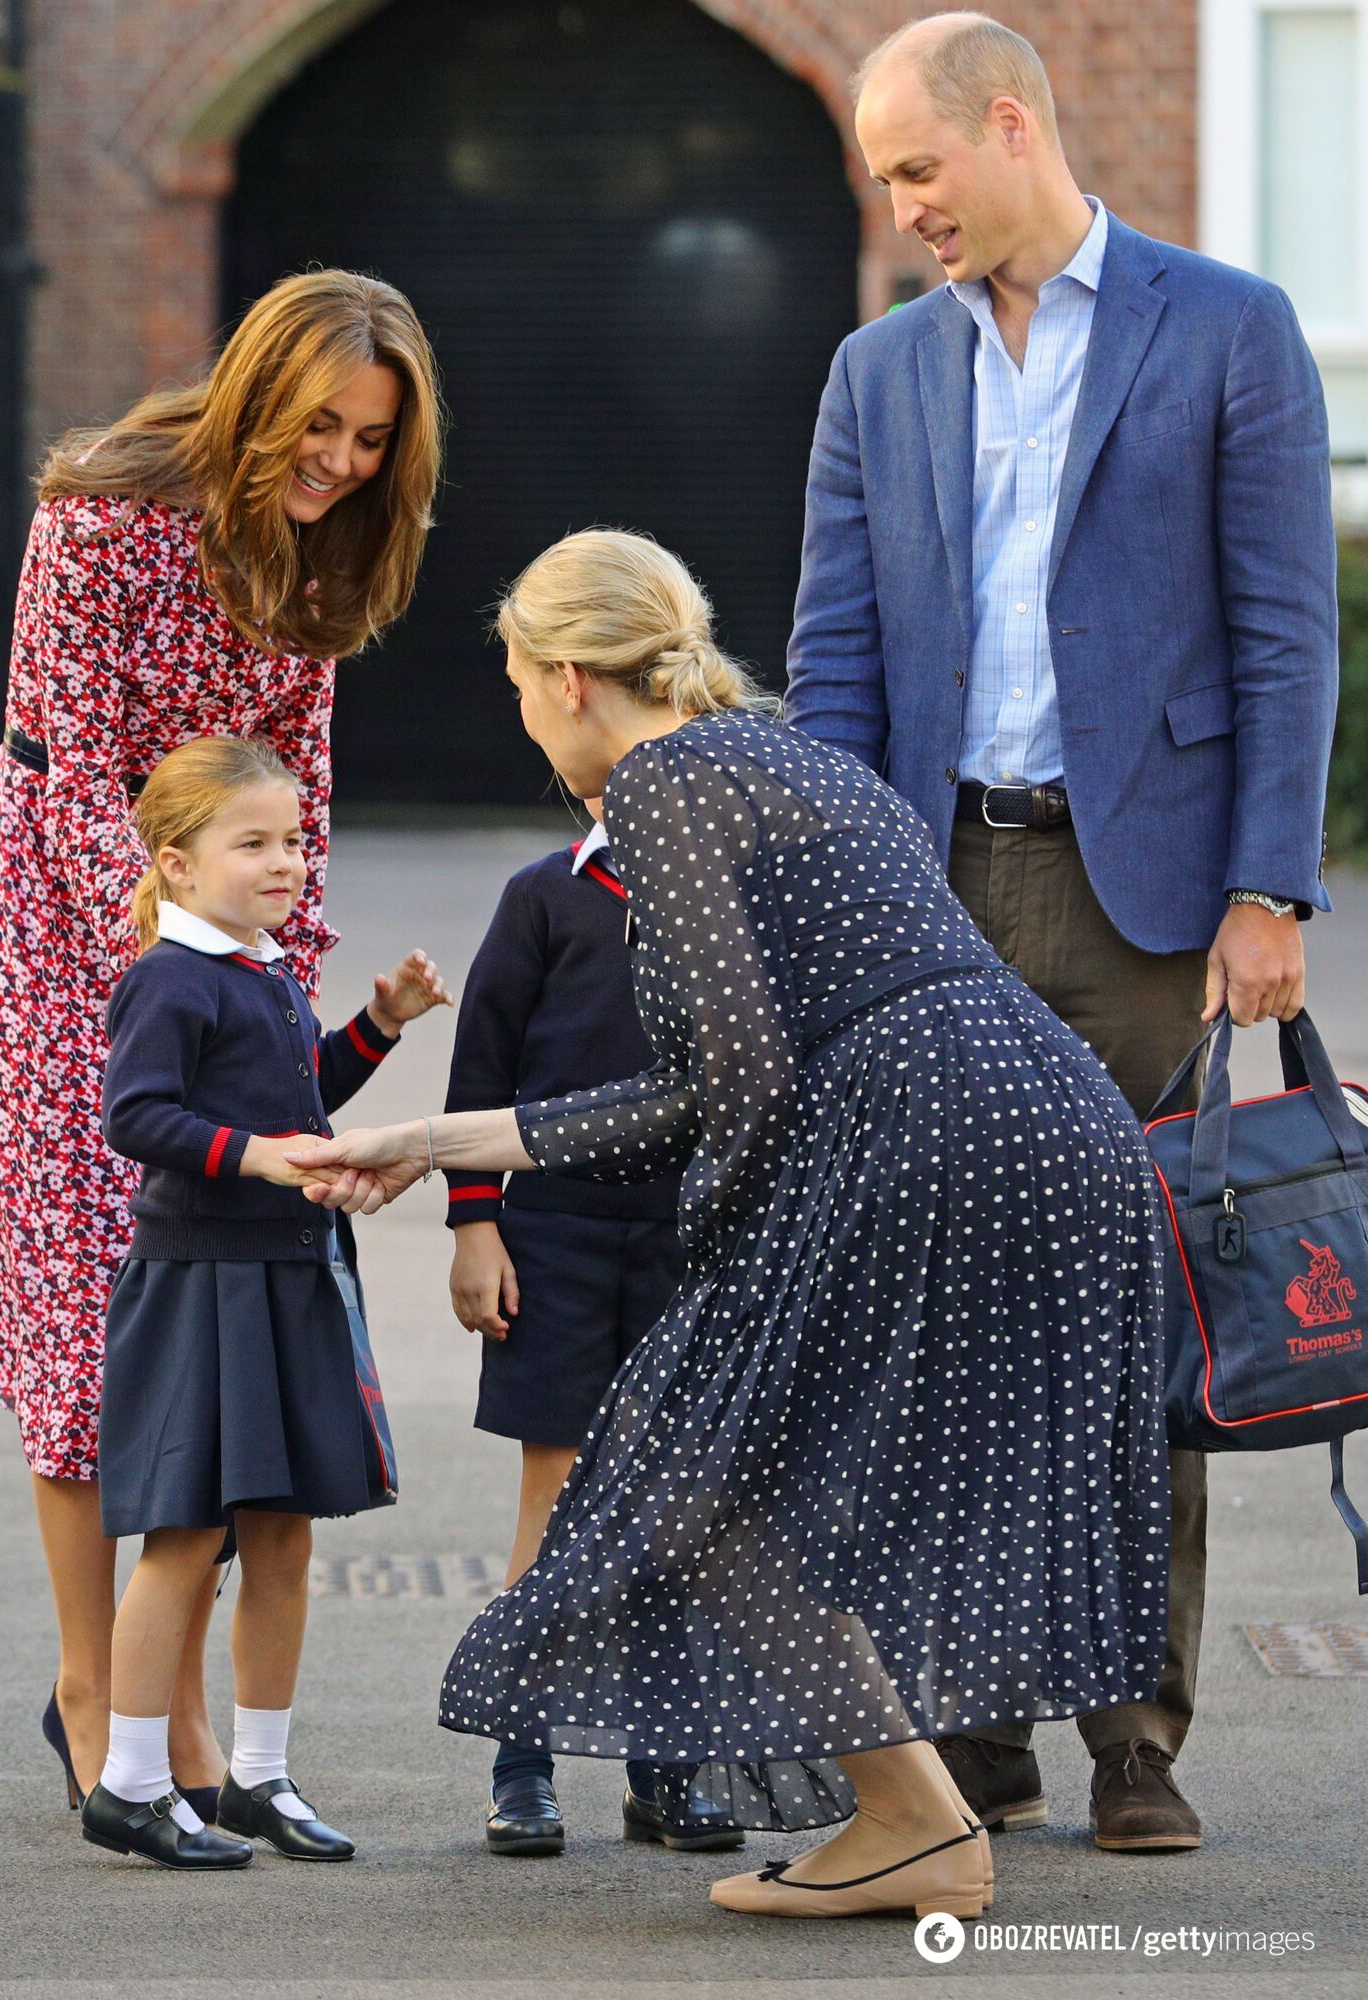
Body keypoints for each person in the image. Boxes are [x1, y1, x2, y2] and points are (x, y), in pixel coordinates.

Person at [285, 527, 1170, 1922]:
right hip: (1046, 1122)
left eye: (516, 684)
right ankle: (917, 1816)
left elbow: (720, 1087)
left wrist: (718, 1287)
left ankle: (913, 1822)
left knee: (693, 1473)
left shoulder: (662, 784)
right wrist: (434, 1142)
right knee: (798, 1482)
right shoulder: (797, 755)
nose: (522, 719)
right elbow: (720, 1074)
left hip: (913, 1133)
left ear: (571, 676)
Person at [784, 12, 1338, 1852]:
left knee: (1125, 1307)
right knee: (939, 1315)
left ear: (1005, 126)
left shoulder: (1224, 326)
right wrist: (831, 906)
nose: (900, 207)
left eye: (914, 169)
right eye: (884, 182)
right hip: (933, 888)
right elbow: (833, 658)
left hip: (1144, 905)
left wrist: (1264, 889)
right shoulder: (873, 374)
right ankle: (973, 1730)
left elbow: (1280, 629)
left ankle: (1133, 1742)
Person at [0, 268, 442, 1816]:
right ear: (258, 387)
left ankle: (173, 1715)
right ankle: (100, 1697)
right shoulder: (101, 511)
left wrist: (279, 987)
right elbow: (80, 772)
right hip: (55, 925)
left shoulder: (326, 548)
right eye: (326, 425)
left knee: (212, 1324)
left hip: (219, 937)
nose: (344, 461)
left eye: (373, 442)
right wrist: (184, 967)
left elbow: (303, 786)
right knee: (98, 1329)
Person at [78, 734, 450, 1869]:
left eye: (293, 839)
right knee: (184, 1536)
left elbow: (296, 1096)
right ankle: (131, 1785)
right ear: (178, 863)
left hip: (291, 1279)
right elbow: (136, 1117)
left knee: (284, 1537)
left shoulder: (263, 964)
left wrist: (377, 1025)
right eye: (254, 842)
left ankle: (258, 1774)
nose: (285, 860)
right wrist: (260, 1159)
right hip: (202, 1286)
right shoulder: (168, 974)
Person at [442, 799, 709, 1857]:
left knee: (679, 1508)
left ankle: (667, 1765)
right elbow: (479, 1072)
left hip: (690, 1236)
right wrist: (474, 1226)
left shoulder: (729, 902)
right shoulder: (543, 895)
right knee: (551, 1500)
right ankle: (521, 1759)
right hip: (549, 1230)